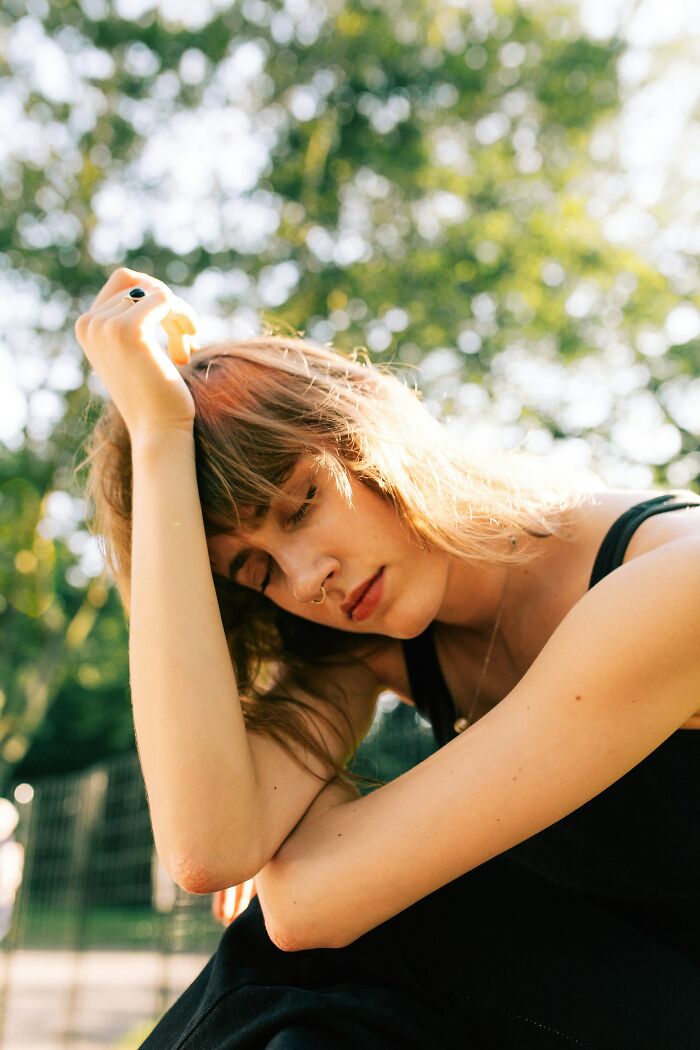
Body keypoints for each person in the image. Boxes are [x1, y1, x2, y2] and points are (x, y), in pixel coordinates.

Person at [75, 268, 700, 1049]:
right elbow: (209, 846)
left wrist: (318, 830)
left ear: (366, 428)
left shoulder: (677, 579)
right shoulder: (374, 645)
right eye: (258, 572)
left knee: (344, 944)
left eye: (301, 504)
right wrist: (156, 445)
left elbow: (306, 908)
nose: (307, 581)